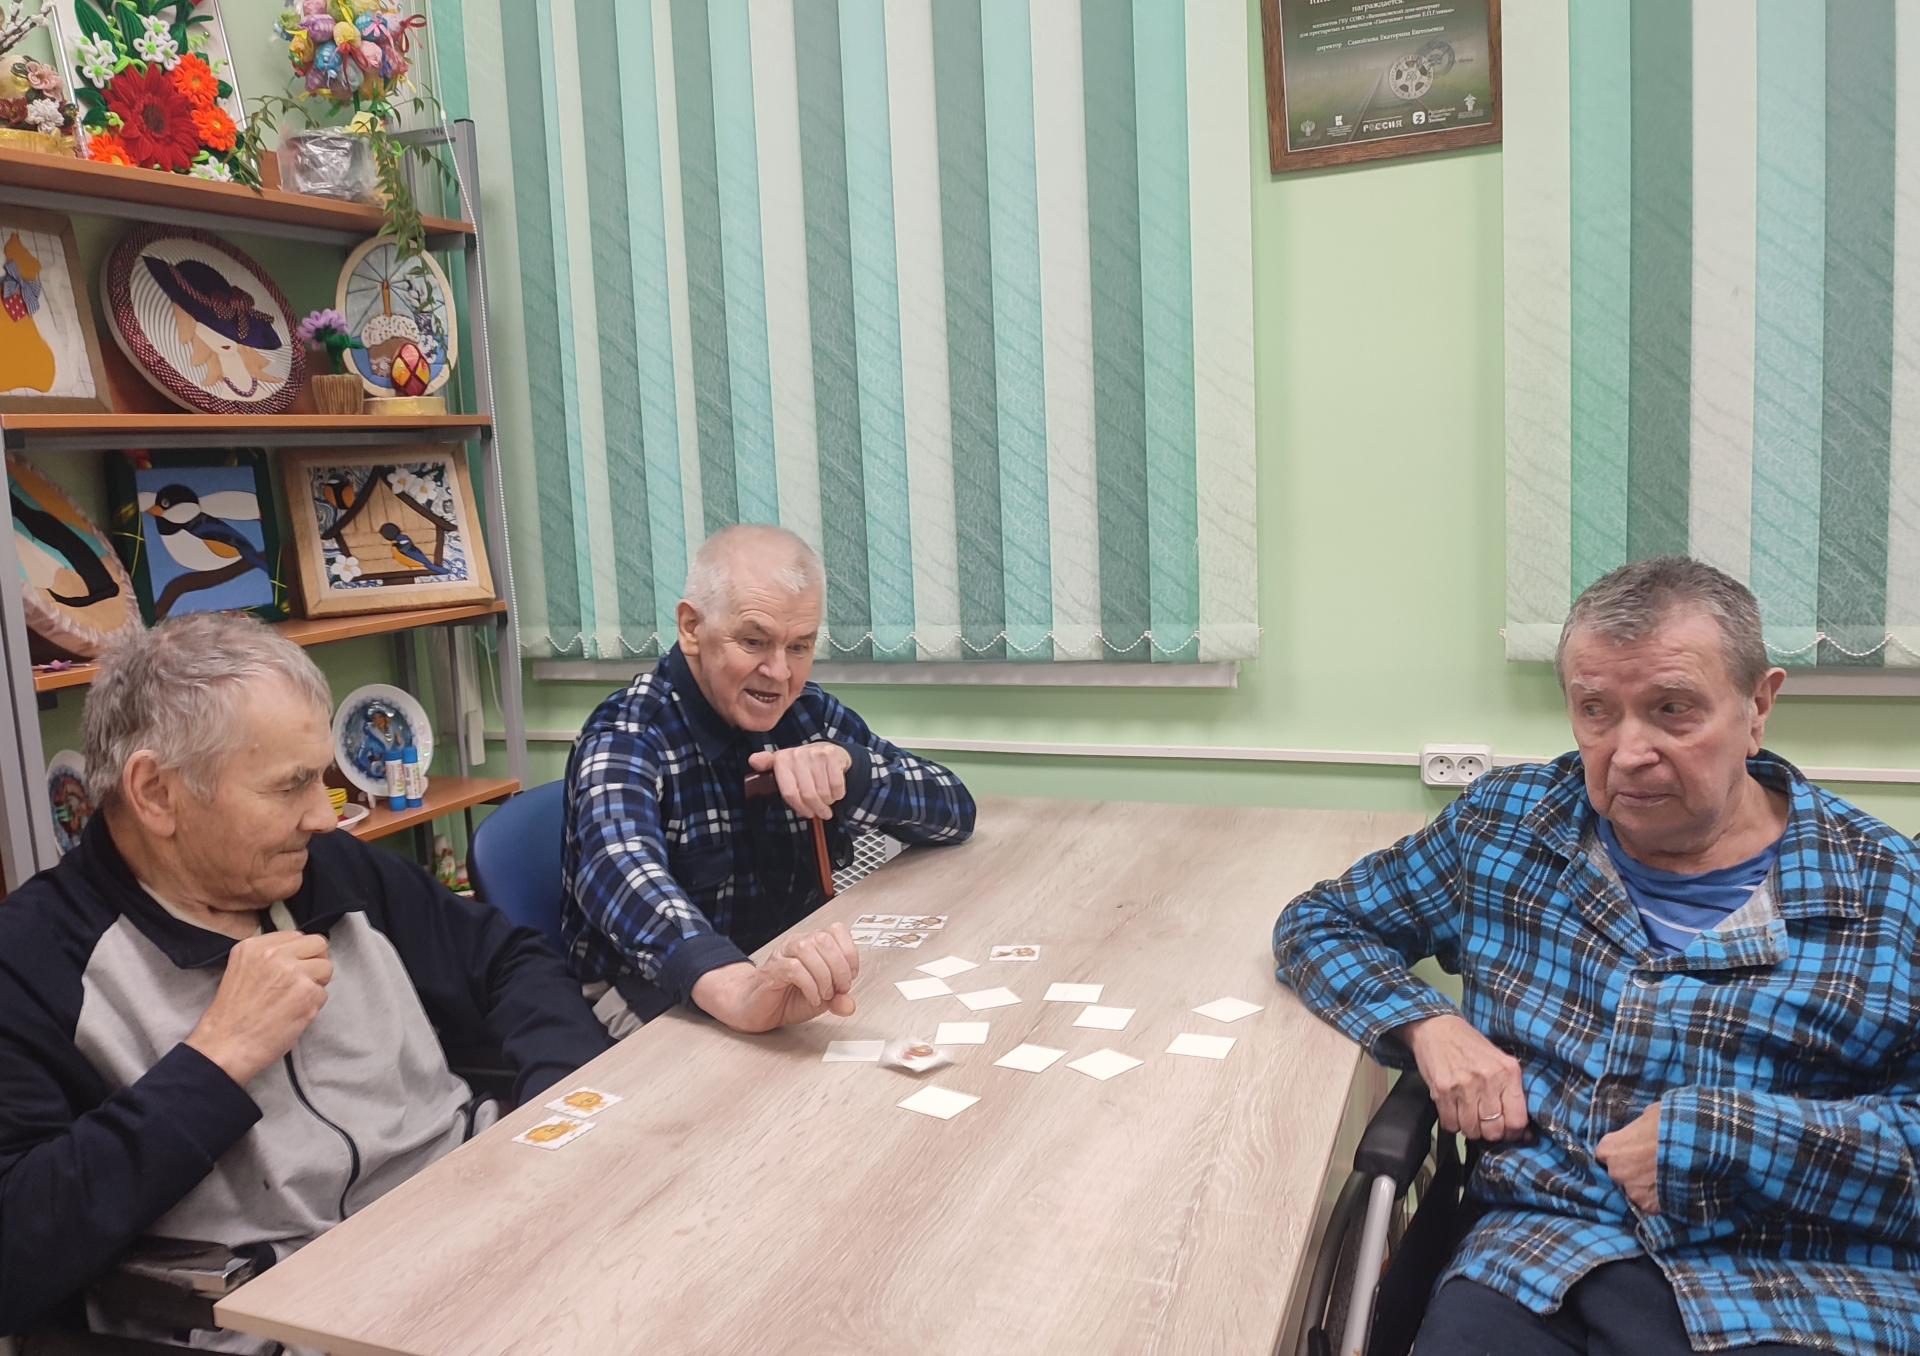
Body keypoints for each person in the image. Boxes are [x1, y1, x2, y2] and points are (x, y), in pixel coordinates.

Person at [1273, 557, 1919, 1356]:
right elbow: (1320, 922)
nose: (1628, 751)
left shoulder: (1888, 888)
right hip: (1541, 1255)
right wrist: (1427, 1025)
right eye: (1595, 712)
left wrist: (1725, 1139)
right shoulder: (1508, 829)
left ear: (1758, 706)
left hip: (1798, 1284)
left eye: (1672, 710)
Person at [0, 615, 610, 1348]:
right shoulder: (34, 962)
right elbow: (17, 1252)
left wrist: (564, 1108)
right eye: (291, 786)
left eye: (320, 777)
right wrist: (215, 1061)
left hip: (481, 1224)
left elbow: (508, 960)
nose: (324, 816)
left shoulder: (327, 869)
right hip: (294, 1319)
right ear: (156, 793)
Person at [564, 525, 976, 1037]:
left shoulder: (807, 714)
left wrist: (855, 773)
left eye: (800, 646)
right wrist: (740, 989)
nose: (780, 673)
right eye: (754, 641)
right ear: (691, 627)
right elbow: (623, 873)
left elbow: (955, 810)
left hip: (781, 968)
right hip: (657, 992)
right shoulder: (626, 735)